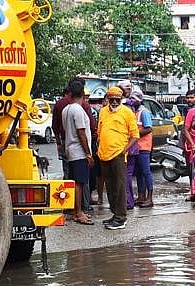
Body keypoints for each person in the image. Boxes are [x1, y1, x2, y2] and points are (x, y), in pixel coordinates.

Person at [96, 86, 139, 230]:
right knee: (110, 187)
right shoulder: (103, 112)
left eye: (117, 100)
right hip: (104, 154)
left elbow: (135, 135)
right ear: (108, 99)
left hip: (118, 155)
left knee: (120, 187)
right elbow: (100, 131)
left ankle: (121, 218)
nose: (114, 102)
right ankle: (115, 214)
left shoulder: (127, 112)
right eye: (112, 99)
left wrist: (124, 151)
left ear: (121, 99)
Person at [61, 80, 95, 225]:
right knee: (79, 183)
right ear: (82, 93)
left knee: (75, 182)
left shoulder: (66, 109)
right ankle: (78, 212)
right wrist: (88, 153)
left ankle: (77, 211)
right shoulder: (78, 110)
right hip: (79, 151)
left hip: (70, 149)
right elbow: (81, 132)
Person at [127, 92, 154, 208]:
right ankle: (141, 196)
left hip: (143, 147)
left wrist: (134, 134)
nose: (132, 101)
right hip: (136, 147)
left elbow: (148, 128)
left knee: (146, 172)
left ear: (139, 100)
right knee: (138, 173)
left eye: (134, 99)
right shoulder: (134, 112)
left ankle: (149, 198)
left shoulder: (144, 112)